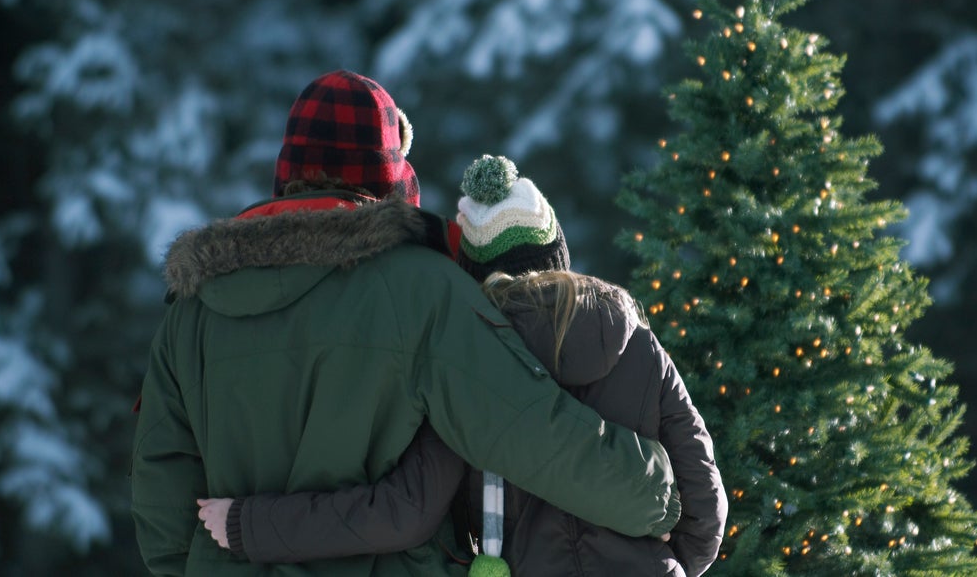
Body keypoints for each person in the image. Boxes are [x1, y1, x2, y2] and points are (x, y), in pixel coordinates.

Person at [130, 71, 682, 577]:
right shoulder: (424, 289)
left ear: (287, 169)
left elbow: (162, 518)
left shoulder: (192, 312)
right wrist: (653, 494)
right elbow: (528, 430)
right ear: (386, 171)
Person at [196, 155, 727, 576]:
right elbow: (704, 497)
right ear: (556, 249)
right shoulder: (634, 337)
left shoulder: (467, 356)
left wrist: (251, 524)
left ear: (471, 271)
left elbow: (405, 510)